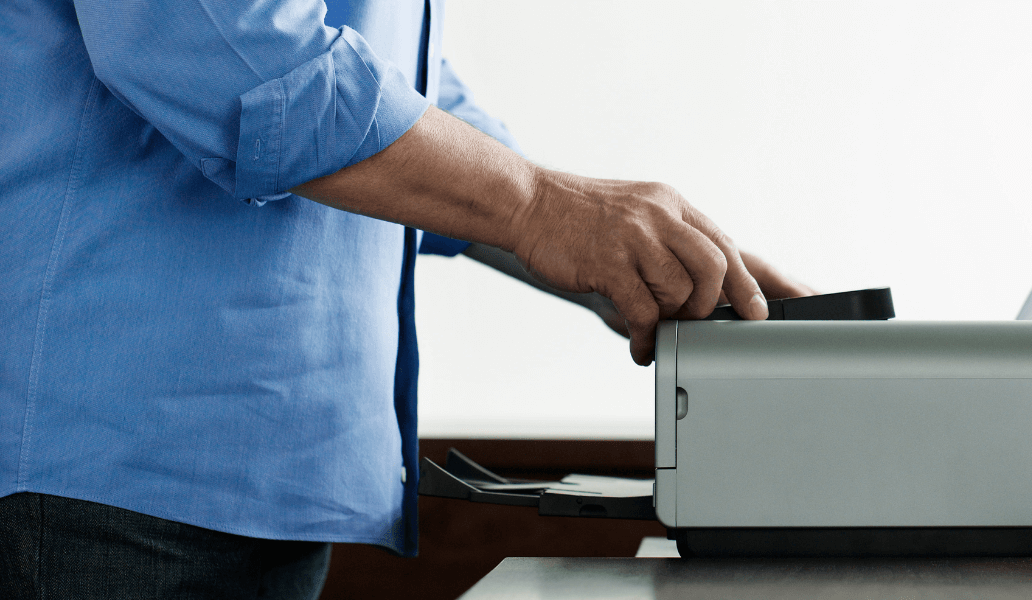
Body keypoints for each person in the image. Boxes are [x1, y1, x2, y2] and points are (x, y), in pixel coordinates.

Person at [0, 0, 809, 597]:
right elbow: (229, 48)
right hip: (107, 464)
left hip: (271, 462)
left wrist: (606, 258)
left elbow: (392, 86)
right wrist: (537, 207)